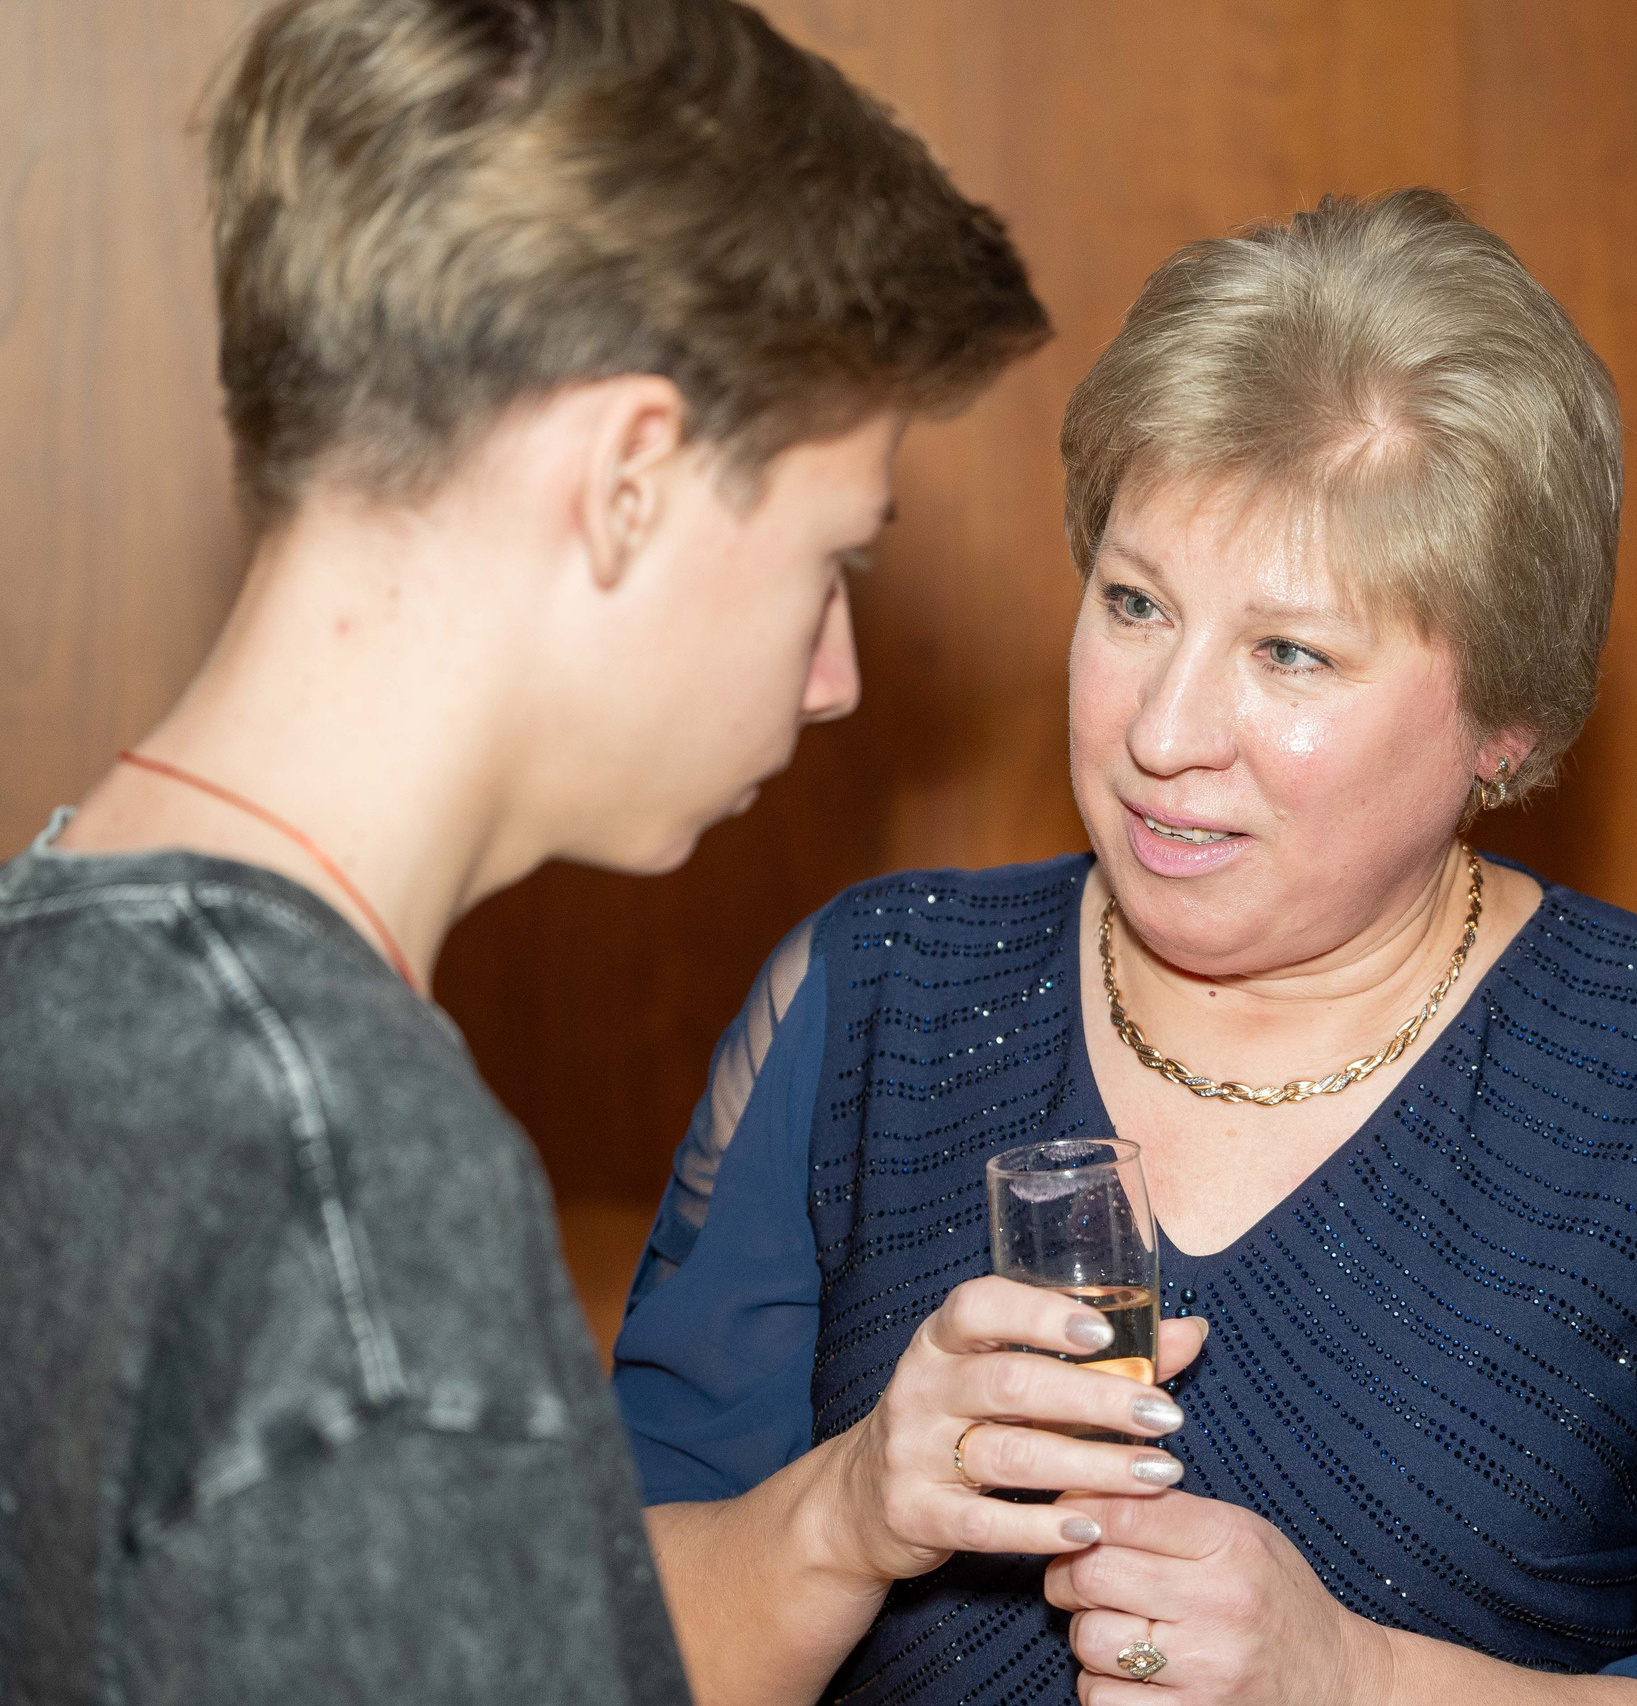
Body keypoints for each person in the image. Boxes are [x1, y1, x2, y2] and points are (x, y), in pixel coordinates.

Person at [612, 188, 1637, 1706]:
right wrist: (844, 1515)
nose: (1162, 734)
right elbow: (584, 1641)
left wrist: (1355, 1680)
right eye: (1134, 604)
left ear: (1506, 718)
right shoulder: (873, 996)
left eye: (1290, 652)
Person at [0, 1, 1052, 1699]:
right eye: (832, 556)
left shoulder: (53, 970)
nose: (839, 674)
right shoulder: (337, 1174)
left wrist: (833, 1524)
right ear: (630, 474)